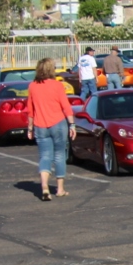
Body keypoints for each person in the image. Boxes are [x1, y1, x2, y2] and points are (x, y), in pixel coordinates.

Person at [25, 57, 76, 201]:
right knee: (59, 155)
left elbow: (30, 110)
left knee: (45, 156)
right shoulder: (57, 85)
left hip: (40, 125)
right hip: (58, 124)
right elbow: (66, 106)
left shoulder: (33, 86)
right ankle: (60, 189)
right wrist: (72, 124)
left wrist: (30, 128)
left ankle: (45, 187)